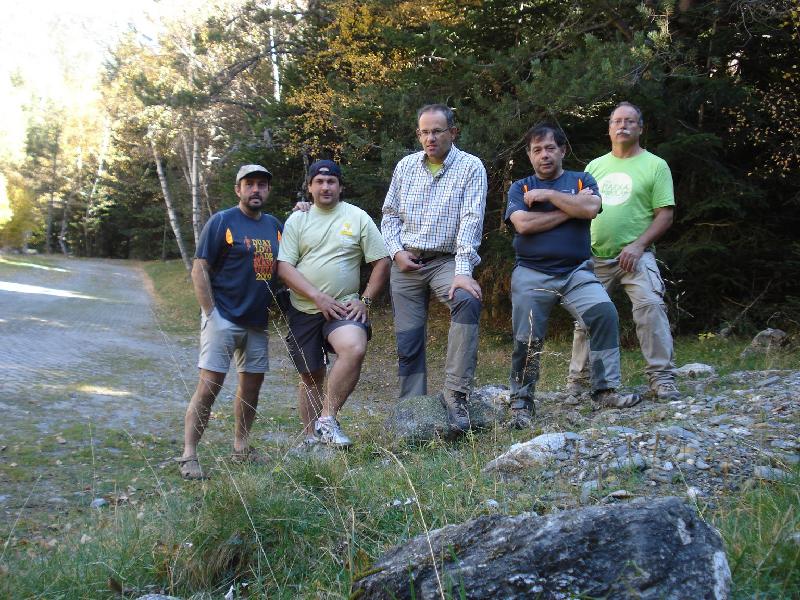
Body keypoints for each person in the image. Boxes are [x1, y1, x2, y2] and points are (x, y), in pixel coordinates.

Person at [505, 124, 640, 427]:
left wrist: (548, 195)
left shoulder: (582, 179)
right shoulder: (521, 187)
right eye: (537, 150)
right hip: (531, 273)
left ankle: (605, 390)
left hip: (576, 272)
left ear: (563, 150)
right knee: (527, 336)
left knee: (604, 313)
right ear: (529, 155)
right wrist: (570, 209)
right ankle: (521, 402)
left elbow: (592, 206)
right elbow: (523, 224)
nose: (544, 155)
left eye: (550, 148)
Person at [381, 104, 487, 432]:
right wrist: (396, 252)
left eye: (437, 131)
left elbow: (471, 220)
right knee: (408, 339)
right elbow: (389, 215)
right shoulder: (405, 167)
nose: (430, 137)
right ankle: (412, 407)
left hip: (446, 261)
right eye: (425, 131)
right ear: (418, 134)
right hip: (407, 262)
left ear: (453, 133)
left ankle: (456, 395)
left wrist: (463, 270)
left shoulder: (471, 167)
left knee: (466, 301)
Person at [567, 102, 680, 402]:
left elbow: (665, 215)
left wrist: (639, 245)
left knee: (650, 308)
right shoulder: (594, 167)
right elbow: (580, 208)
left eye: (630, 121)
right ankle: (579, 383)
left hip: (636, 255)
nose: (622, 126)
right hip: (593, 256)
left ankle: (662, 379)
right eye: (617, 121)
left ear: (640, 128)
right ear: (609, 128)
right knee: (586, 316)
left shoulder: (656, 165)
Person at [178, 164, 282, 480]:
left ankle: (240, 448)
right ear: (238, 189)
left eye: (262, 185)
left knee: (251, 389)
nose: (256, 190)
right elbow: (200, 268)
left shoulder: (276, 226)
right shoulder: (222, 221)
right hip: (224, 318)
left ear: (267, 190)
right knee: (209, 387)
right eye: (249, 184)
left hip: (257, 323)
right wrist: (212, 314)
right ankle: (189, 455)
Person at [277, 160, 390, 448]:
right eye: (319, 182)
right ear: (310, 187)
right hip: (304, 308)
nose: (325, 187)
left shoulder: (357, 217)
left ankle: (328, 420)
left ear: (340, 187)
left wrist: (365, 300)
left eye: (331, 182)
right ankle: (309, 440)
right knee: (311, 375)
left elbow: (381, 261)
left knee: (354, 347)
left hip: (343, 308)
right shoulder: (297, 220)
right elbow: (284, 267)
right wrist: (317, 296)